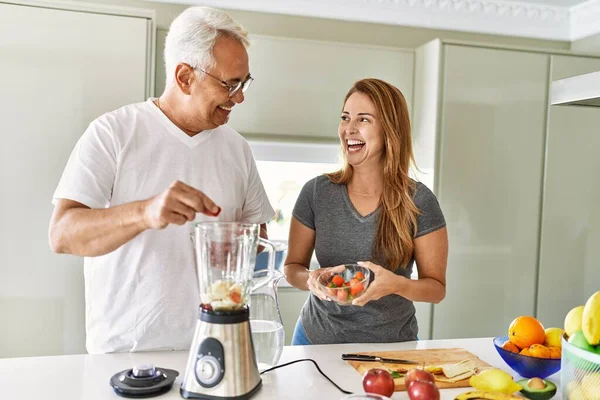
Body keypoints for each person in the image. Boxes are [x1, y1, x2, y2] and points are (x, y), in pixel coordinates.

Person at [48, 6, 274, 354]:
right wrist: (146, 213)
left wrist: (238, 246)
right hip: (125, 354)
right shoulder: (114, 132)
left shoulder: (237, 149)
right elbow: (63, 234)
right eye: (230, 84)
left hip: (219, 345)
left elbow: (256, 234)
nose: (240, 97)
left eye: (244, 83)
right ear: (185, 76)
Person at [284, 78, 448, 345]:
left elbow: (436, 289)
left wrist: (395, 284)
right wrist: (311, 279)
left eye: (363, 120)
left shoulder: (418, 200)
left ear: (389, 130)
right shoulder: (317, 192)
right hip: (315, 341)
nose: (348, 129)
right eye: (345, 117)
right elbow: (292, 268)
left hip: (392, 346)